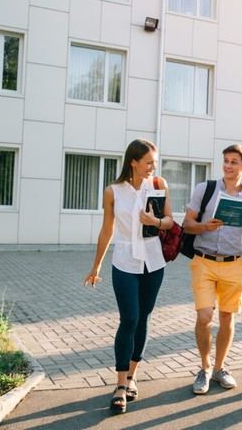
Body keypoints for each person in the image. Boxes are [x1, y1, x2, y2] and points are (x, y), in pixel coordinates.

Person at [83, 139, 174, 413]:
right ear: (133, 161)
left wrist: (155, 222)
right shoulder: (113, 191)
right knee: (129, 318)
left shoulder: (159, 185)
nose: (152, 168)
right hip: (124, 261)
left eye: (155, 163)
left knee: (144, 318)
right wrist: (96, 266)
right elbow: (107, 230)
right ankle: (120, 384)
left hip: (153, 262)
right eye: (148, 162)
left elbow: (170, 220)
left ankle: (133, 377)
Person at [183, 144, 242, 395]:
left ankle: (219, 368)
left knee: (227, 318)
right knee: (204, 317)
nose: (228, 166)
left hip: (232, 265)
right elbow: (187, 224)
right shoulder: (204, 189)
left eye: (234, 162)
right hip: (203, 261)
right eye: (225, 161)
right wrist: (205, 227)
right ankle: (204, 368)